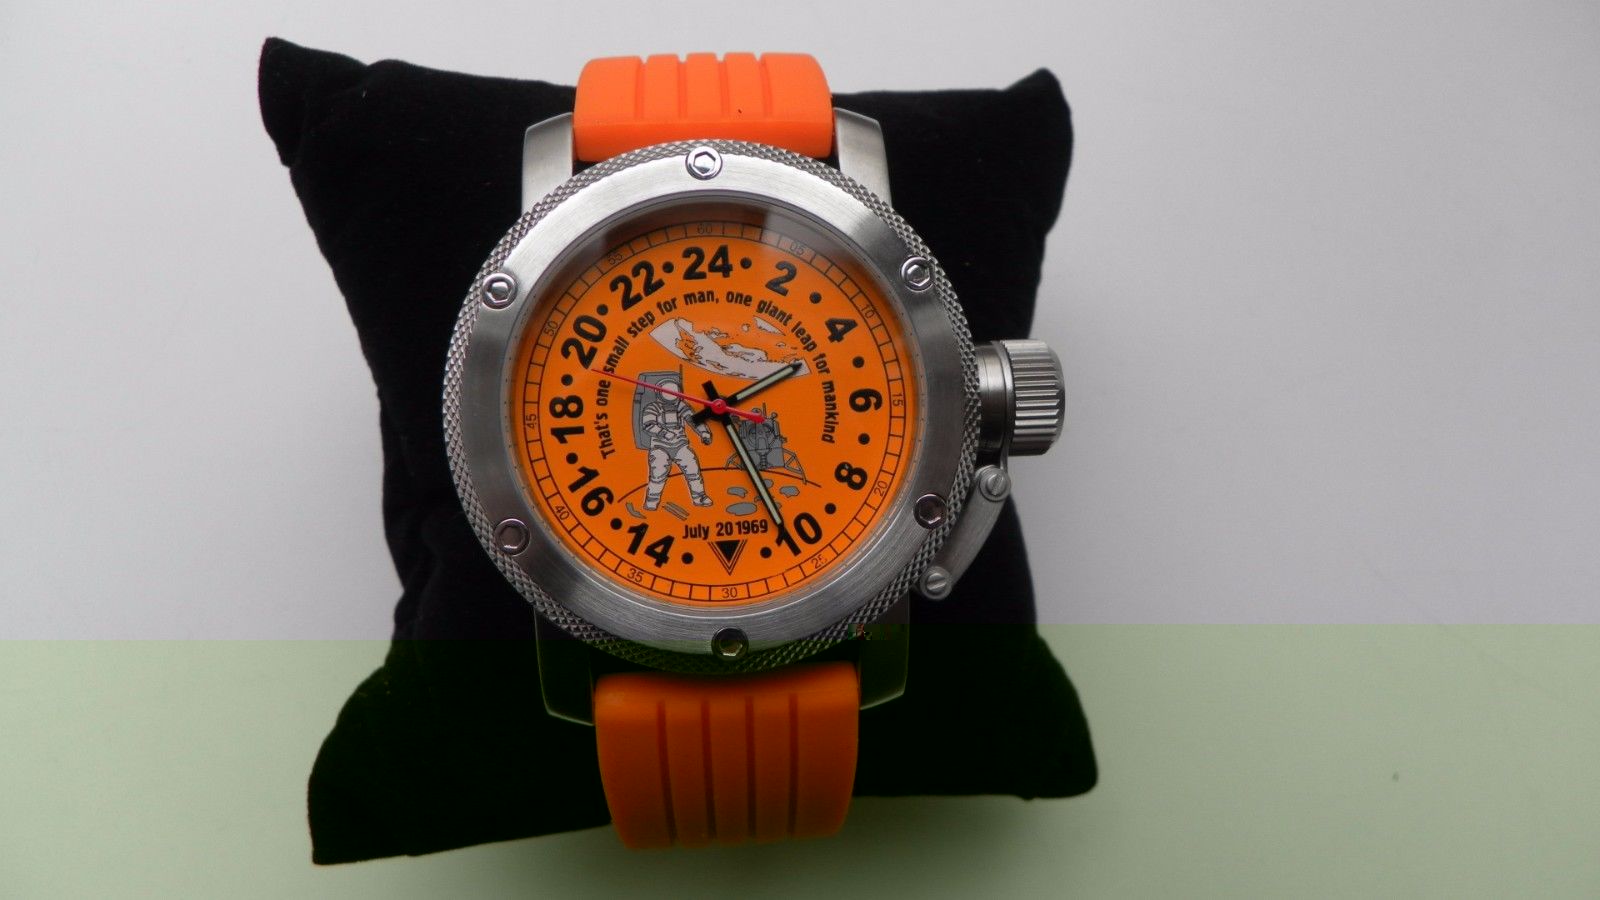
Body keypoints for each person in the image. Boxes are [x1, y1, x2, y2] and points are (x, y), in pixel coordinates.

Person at [640, 377, 714, 510]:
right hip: (660, 447)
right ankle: (651, 502)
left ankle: (700, 497)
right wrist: (663, 433)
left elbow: (694, 420)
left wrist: (704, 432)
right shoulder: (653, 407)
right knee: (658, 476)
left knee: (693, 471)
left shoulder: (681, 406)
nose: (670, 397)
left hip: (680, 446)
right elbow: (648, 425)